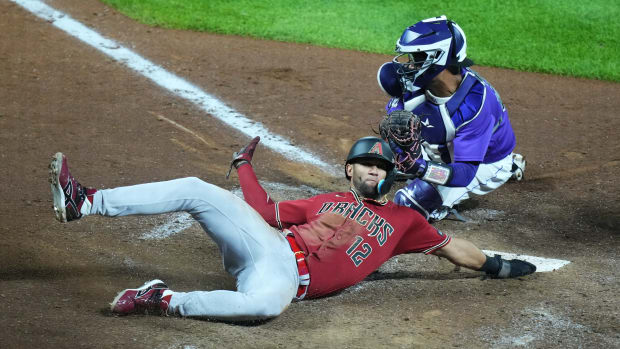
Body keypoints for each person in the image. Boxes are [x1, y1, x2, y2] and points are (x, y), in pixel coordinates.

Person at [48, 136, 535, 321]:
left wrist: (495, 264)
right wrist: (242, 166)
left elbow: (454, 248)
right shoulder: (327, 201)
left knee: (262, 307)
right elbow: (264, 212)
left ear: (390, 174)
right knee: (197, 188)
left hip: (285, 281)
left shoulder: (407, 223)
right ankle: (86, 202)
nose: (371, 172)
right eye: (362, 166)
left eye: (379, 167)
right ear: (349, 171)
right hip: (264, 244)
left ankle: (159, 298)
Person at [376, 15, 526, 221]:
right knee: (381, 159)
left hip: (482, 163)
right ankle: (422, 164)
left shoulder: (475, 105)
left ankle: (509, 167)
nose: (409, 66)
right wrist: (403, 150)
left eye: (417, 59)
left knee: (409, 205)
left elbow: (464, 172)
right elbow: (398, 122)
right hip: (442, 147)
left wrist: (420, 168)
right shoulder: (415, 83)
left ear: (439, 57)